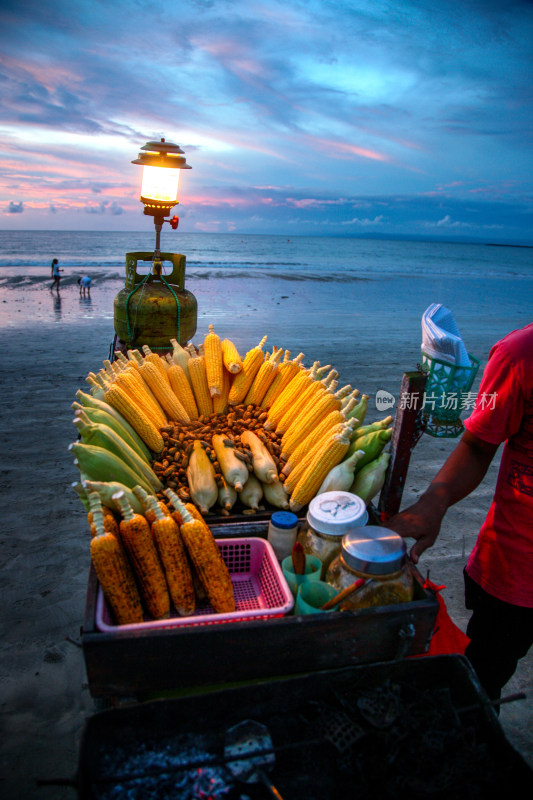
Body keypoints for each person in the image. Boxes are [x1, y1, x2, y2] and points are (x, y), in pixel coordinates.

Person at [388, 322, 533, 702]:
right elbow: (480, 445)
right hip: (518, 572)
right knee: (484, 678)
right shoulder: (521, 354)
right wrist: (434, 502)